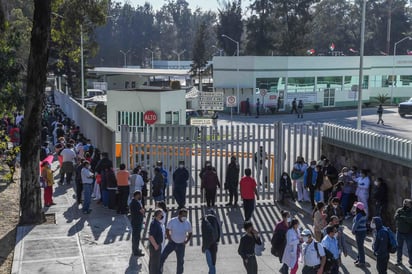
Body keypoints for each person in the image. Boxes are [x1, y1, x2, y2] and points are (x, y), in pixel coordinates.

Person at [160, 208, 193, 274]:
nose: (185, 217)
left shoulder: (187, 222)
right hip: (172, 243)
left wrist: (186, 241)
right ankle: (158, 271)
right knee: (162, 257)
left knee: (180, 262)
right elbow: (167, 230)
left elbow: (190, 233)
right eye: (183, 215)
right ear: (179, 215)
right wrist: (169, 239)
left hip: (181, 245)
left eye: (186, 215)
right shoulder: (172, 221)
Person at [201, 209, 221, 274]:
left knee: (211, 265)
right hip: (214, 246)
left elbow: (207, 239)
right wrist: (217, 240)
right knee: (212, 263)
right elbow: (218, 231)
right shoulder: (215, 223)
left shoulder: (207, 226)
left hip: (209, 247)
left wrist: (204, 248)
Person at [394, 199, 412, 267]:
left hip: (408, 233)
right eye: (404, 203)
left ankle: (411, 262)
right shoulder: (400, 210)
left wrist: (403, 217)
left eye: (407, 204)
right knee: (399, 247)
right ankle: (399, 261)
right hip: (399, 232)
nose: (405, 205)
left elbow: (410, 220)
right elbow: (395, 217)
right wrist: (399, 216)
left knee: (410, 248)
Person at [351, 201, 368, 267]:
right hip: (363, 232)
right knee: (360, 246)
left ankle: (362, 261)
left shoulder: (358, 216)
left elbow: (355, 224)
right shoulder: (364, 214)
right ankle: (359, 258)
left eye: (355, 207)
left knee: (360, 247)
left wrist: (353, 231)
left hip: (359, 232)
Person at [149, 208, 164, 274]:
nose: (162, 216)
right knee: (155, 264)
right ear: (158, 215)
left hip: (156, 245)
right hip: (155, 246)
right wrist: (156, 246)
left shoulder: (156, 222)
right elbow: (151, 236)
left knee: (154, 262)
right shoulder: (154, 224)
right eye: (161, 215)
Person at [130, 190, 145, 257]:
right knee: (136, 237)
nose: (141, 196)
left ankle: (135, 249)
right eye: (140, 195)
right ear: (137, 195)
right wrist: (143, 211)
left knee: (135, 236)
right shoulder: (135, 203)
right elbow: (142, 211)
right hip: (137, 222)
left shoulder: (134, 202)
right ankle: (136, 251)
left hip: (135, 221)